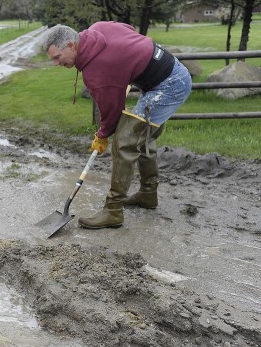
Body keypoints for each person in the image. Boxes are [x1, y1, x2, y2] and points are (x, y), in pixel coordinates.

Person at [43, 22, 192, 229]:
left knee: (125, 142)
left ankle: (113, 211)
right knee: (142, 135)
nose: (56, 63)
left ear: (71, 45)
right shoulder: (98, 28)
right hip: (167, 72)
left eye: (57, 58)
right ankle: (148, 195)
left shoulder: (99, 71)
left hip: (170, 85)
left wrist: (102, 135)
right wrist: (127, 64)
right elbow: (128, 28)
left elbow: (112, 113)